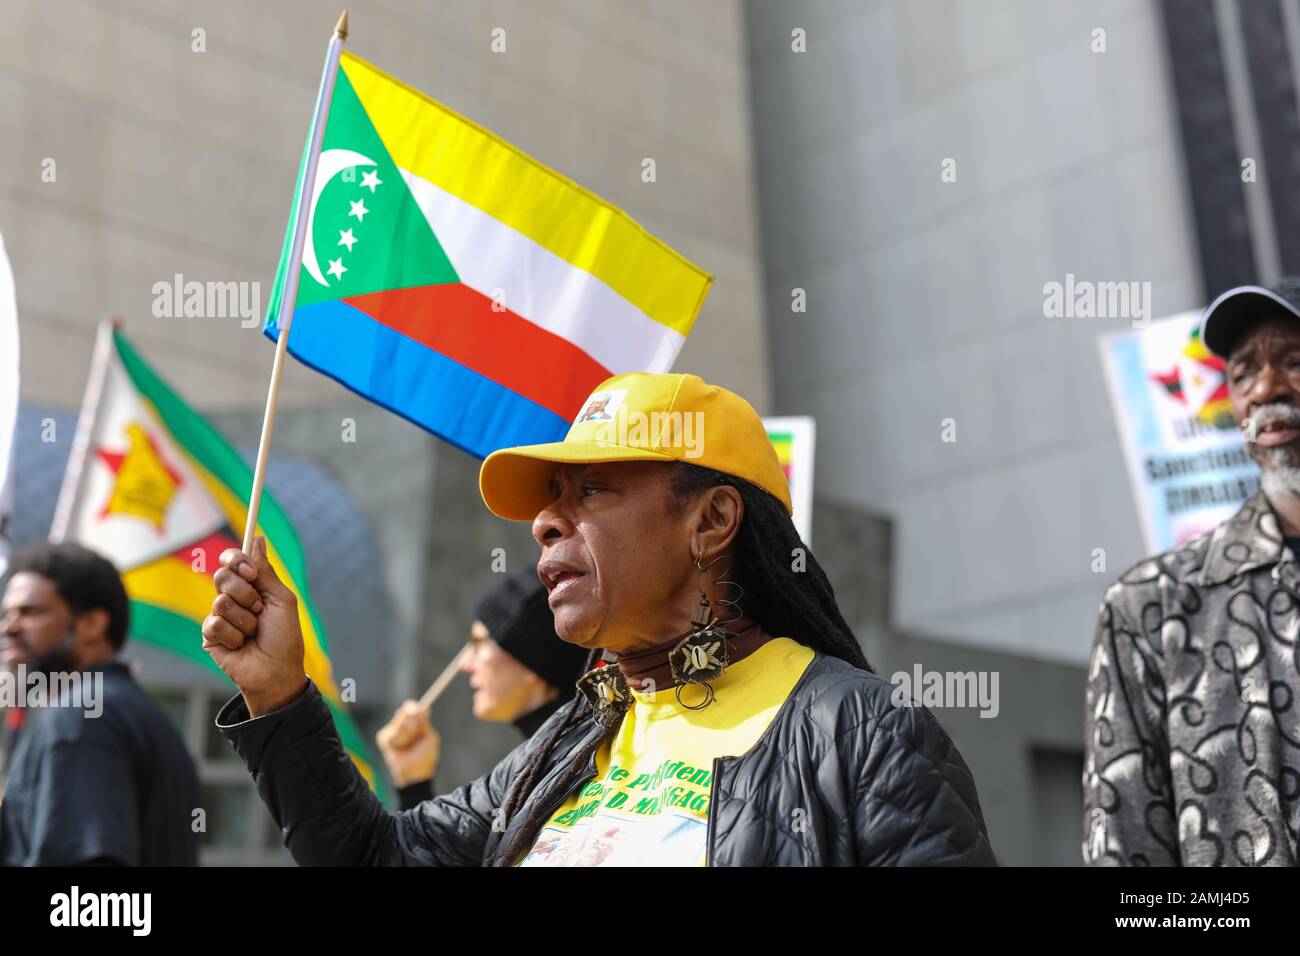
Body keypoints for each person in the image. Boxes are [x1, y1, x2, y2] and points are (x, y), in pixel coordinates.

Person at [205, 372, 996, 866]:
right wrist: (282, 691)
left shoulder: (863, 731)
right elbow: (374, 857)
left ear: (712, 521)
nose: (546, 523)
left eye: (590, 492)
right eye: (550, 500)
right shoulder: (571, 740)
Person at [1084, 278, 1300, 866]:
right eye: (1242, 373)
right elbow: (1124, 853)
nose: (1267, 388)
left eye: (1293, 361)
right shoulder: (1150, 607)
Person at [0, 543, 200, 866]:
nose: (9, 627)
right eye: (7, 614)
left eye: (30, 612)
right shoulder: (135, 711)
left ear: (92, 624)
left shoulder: (82, 717)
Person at [376, 567, 588, 809]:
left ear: (531, 661)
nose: (465, 664)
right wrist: (413, 782)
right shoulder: (545, 760)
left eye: (479, 642)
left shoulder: (557, 771)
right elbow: (425, 847)